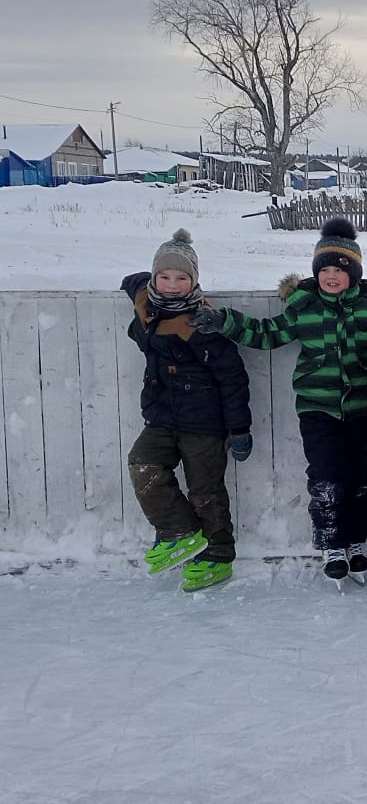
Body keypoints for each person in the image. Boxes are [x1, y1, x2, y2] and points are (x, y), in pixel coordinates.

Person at [190, 217, 367, 588]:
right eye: (325, 269)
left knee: (360, 478)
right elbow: (267, 334)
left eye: (340, 270)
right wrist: (224, 321)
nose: (331, 276)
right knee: (326, 476)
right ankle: (331, 544)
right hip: (317, 409)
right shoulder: (304, 306)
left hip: (363, 409)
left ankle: (354, 542)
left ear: (354, 273)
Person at [122, 228, 252, 592]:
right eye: (164, 277)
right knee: (143, 463)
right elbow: (135, 285)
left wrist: (240, 429)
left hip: (204, 423)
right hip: (162, 417)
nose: (172, 286)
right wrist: (136, 283)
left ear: (194, 281)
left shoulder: (201, 322)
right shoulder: (148, 309)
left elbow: (232, 378)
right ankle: (178, 530)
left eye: (182, 278)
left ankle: (217, 557)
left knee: (206, 492)